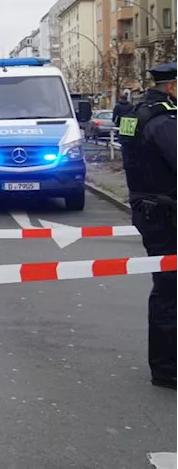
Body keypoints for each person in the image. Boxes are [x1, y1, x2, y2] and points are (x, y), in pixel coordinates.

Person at [118, 63, 178, 390]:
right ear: (172, 87)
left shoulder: (136, 113)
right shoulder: (163, 119)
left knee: (168, 287)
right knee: (171, 290)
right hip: (165, 213)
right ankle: (168, 368)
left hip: (149, 208)